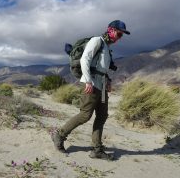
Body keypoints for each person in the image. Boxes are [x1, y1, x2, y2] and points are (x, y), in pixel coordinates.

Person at [51, 20, 130, 160]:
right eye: (119, 34)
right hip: (91, 83)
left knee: (102, 115)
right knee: (85, 115)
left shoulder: (107, 47)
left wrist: (109, 81)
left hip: (102, 85)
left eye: (121, 35)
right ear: (110, 30)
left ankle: (97, 149)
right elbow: (85, 60)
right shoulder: (97, 41)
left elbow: (102, 69)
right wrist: (87, 80)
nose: (119, 37)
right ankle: (59, 135)